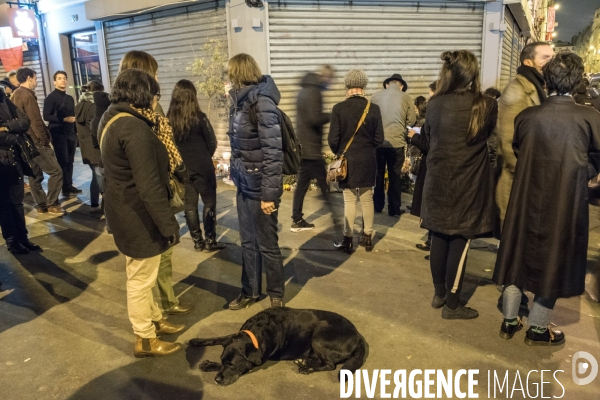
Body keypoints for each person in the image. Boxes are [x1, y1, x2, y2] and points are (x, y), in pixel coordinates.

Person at [493, 53, 600, 346]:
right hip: (565, 200)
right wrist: (584, 170)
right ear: (577, 81)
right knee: (555, 260)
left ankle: (509, 320)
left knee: (517, 255)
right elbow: (596, 157)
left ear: (547, 79)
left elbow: (517, 150)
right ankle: (538, 329)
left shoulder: (527, 116)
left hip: (526, 196)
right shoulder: (589, 117)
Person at [98, 69, 183, 357]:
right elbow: (149, 187)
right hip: (138, 216)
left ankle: (155, 319)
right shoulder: (134, 128)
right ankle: (145, 338)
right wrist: (169, 226)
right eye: (155, 94)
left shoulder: (111, 118)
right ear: (144, 95)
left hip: (122, 210)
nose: (156, 100)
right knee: (140, 279)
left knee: (141, 273)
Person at [421, 50, 498, 320]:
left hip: (437, 181)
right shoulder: (486, 104)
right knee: (460, 240)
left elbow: (429, 138)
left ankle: (439, 293)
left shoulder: (435, 104)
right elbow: (489, 139)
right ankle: (453, 305)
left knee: (439, 236)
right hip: (468, 184)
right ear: (473, 74)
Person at [118, 50, 194, 315]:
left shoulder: (117, 113)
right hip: (152, 194)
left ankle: (161, 308)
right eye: (155, 72)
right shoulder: (145, 112)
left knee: (152, 260)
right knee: (159, 254)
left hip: (132, 200)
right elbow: (161, 155)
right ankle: (161, 310)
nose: (159, 78)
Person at [226, 53, 285, 310]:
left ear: (238, 75)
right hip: (244, 183)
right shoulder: (239, 103)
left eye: (230, 75)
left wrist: (269, 196)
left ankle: (276, 296)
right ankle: (250, 291)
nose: (227, 80)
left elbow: (273, 152)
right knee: (248, 242)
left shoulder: (262, 102)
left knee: (268, 244)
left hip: (262, 187)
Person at [495, 42, 553, 228]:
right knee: (514, 236)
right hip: (518, 182)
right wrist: (526, 175)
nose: (551, 62)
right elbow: (508, 140)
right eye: (545, 58)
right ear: (528, 62)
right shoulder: (518, 89)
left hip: (528, 179)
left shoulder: (537, 87)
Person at [329, 69, 384, 253]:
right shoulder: (373, 108)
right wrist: (367, 149)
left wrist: (340, 152)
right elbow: (379, 139)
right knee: (367, 199)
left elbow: (333, 139)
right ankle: (367, 237)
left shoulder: (338, 108)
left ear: (347, 85)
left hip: (348, 160)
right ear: (364, 85)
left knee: (349, 200)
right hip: (368, 159)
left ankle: (348, 240)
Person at [167, 79, 226, 252]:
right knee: (209, 202)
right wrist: (205, 157)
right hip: (203, 167)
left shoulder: (168, 120)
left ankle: (197, 242)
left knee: (189, 205)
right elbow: (212, 142)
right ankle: (210, 241)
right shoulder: (199, 117)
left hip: (183, 169)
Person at [11, 68, 65, 215]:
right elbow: (35, 121)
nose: (36, 82)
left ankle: (41, 205)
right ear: (29, 78)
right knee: (56, 172)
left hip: (24, 142)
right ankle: (52, 203)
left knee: (35, 174)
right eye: (35, 78)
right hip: (35, 141)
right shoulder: (27, 95)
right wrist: (42, 139)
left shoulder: (15, 94)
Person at [291, 66, 334, 232]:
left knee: (302, 185)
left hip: (304, 147)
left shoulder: (304, 90)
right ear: (325, 78)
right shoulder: (314, 92)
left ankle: (296, 219)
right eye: (330, 80)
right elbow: (314, 119)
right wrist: (330, 115)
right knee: (324, 186)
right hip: (311, 149)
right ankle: (337, 223)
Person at [0, 89, 41, 254]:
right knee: (4, 205)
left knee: (17, 203)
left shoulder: (3, 97)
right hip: (1, 163)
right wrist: (13, 134)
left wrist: (6, 128)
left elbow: (25, 121)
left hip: (15, 158)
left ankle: (23, 238)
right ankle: (12, 241)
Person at [371, 73, 416, 217]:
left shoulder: (375, 96)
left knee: (378, 174)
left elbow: (370, 120)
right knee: (395, 176)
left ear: (387, 84)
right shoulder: (406, 98)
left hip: (378, 143)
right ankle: (394, 209)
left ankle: (377, 206)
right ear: (401, 87)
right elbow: (411, 121)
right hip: (396, 143)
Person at [43, 71, 80, 198]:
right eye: (59, 78)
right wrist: (63, 119)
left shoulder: (69, 98)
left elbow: (73, 116)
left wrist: (76, 132)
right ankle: (64, 187)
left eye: (64, 78)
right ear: (54, 81)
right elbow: (46, 116)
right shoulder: (51, 98)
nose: (63, 80)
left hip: (70, 132)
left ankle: (68, 185)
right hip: (58, 132)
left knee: (70, 161)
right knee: (63, 160)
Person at [75, 81, 104, 212]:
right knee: (100, 176)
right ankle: (106, 206)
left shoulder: (79, 106)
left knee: (95, 175)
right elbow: (96, 128)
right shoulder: (93, 107)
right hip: (95, 147)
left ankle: (94, 203)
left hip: (86, 148)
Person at [407, 96, 430, 253]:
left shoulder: (426, 121)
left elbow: (428, 143)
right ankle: (431, 241)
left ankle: (432, 242)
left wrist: (414, 137)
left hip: (427, 161)